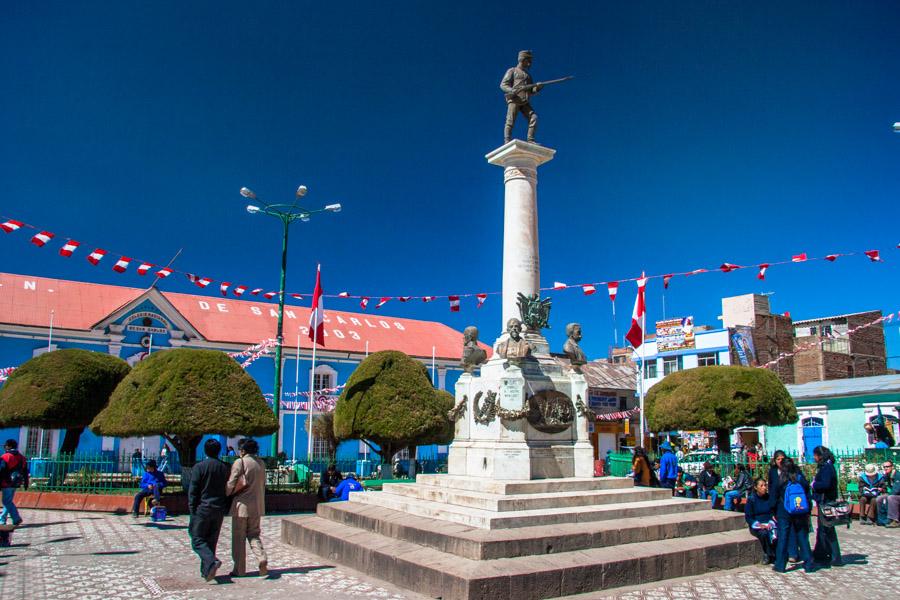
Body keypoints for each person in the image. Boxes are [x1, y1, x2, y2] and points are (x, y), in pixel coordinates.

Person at [188, 439, 231, 583]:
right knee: (211, 541)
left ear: (205, 450)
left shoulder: (200, 467)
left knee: (197, 539)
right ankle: (206, 571)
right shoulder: (225, 467)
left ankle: (211, 562)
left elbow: (193, 491)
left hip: (203, 508)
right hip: (218, 508)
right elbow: (229, 490)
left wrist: (192, 509)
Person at [226, 438, 268, 578]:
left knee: (239, 538)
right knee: (254, 534)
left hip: (242, 506)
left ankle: (239, 569)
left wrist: (226, 493)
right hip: (257, 506)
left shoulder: (240, 462)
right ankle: (261, 557)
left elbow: (232, 483)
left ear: (242, 450)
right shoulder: (261, 463)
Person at [773, 457, 814, 573]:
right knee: (802, 536)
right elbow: (807, 493)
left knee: (783, 537)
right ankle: (809, 563)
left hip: (784, 510)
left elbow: (774, 495)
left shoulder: (781, 479)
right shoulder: (800, 478)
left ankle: (780, 565)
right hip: (800, 510)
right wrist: (808, 510)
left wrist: (773, 510)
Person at [810, 446, 842, 566]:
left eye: (815, 455)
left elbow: (826, 483)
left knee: (828, 529)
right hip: (823, 501)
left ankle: (835, 556)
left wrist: (814, 484)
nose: (814, 458)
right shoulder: (825, 466)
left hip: (826, 501)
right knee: (823, 529)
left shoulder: (827, 468)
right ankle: (822, 553)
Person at [500, 50, 541, 143]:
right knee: (510, 121)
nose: (529, 63)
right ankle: (507, 140)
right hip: (515, 99)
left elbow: (532, 91)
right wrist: (511, 90)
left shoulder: (528, 76)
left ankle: (530, 139)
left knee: (533, 117)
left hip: (525, 101)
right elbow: (503, 85)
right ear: (522, 59)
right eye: (528, 60)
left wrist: (538, 88)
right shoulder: (512, 71)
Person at [745, 478, 776, 564]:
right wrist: (758, 525)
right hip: (757, 524)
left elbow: (772, 513)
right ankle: (768, 554)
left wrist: (771, 522)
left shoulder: (769, 498)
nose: (764, 488)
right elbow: (748, 517)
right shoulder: (752, 500)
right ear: (756, 487)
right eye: (761, 486)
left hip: (769, 523)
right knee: (763, 533)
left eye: (765, 485)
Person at [0, 439, 28, 527]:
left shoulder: (6, 457)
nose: (4, 447)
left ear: (9, 446)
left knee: (6, 501)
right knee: (8, 501)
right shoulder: (22, 457)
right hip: (16, 482)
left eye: (6, 445)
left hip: (6, 483)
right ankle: (2, 519)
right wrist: (26, 482)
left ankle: (16, 518)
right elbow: (25, 471)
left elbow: (1, 471)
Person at [876, 460, 895, 526]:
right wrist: (881, 489)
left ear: (892, 467)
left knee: (889, 498)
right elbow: (883, 486)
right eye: (884, 467)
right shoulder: (885, 476)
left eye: (887, 466)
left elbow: (897, 488)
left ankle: (890, 519)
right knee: (879, 498)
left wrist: (889, 494)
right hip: (891, 494)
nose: (885, 468)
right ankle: (881, 520)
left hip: (896, 494)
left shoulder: (897, 475)